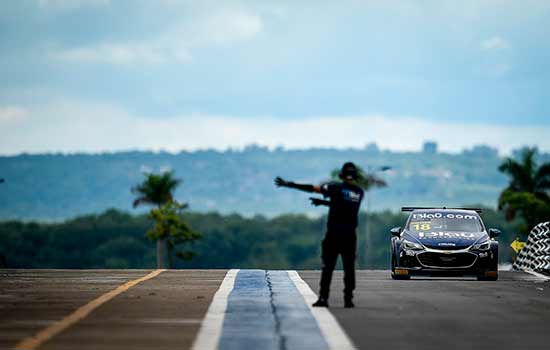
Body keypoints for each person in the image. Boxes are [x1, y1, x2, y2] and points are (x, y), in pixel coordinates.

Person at [274, 162, 364, 308]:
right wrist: (323, 203)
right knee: (349, 268)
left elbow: (313, 188)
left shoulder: (335, 188)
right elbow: (344, 206)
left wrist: (289, 184)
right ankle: (348, 299)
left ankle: (323, 298)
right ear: (355, 176)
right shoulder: (359, 193)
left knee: (327, 267)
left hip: (334, 235)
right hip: (349, 236)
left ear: (342, 175)